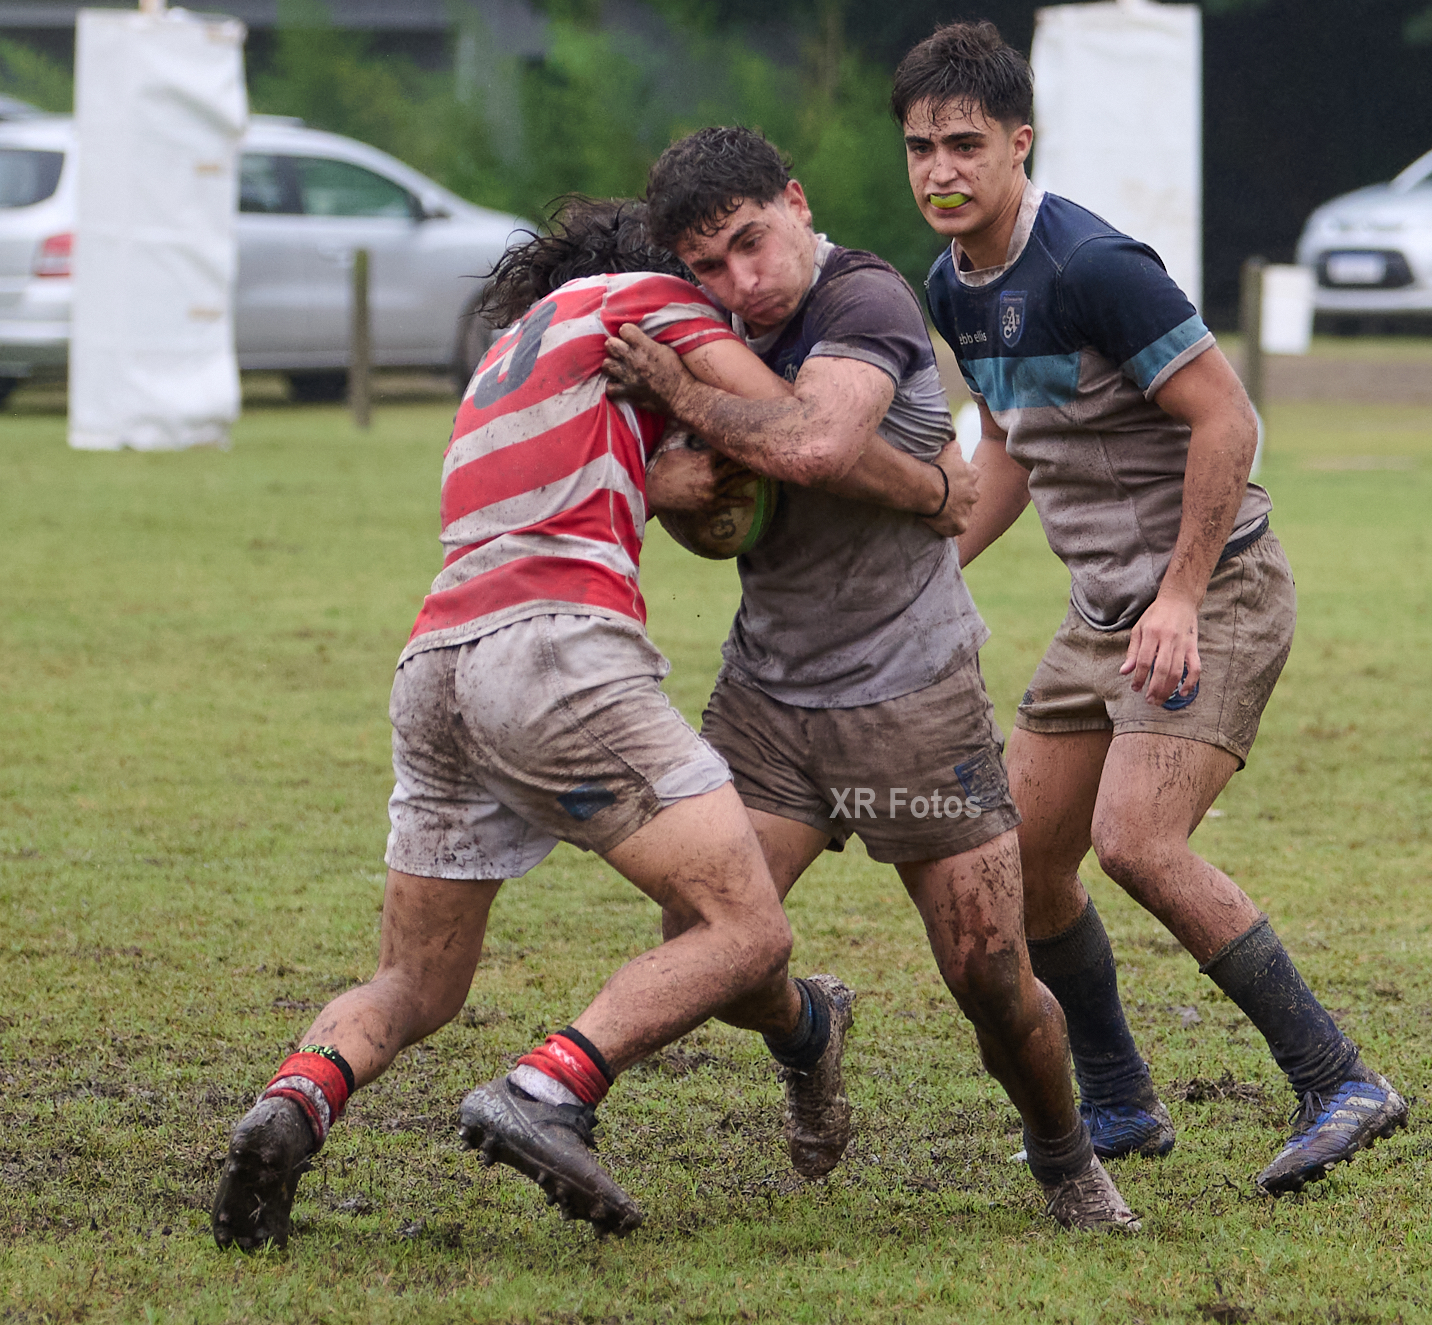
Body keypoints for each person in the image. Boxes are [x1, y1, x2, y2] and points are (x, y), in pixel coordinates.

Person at [210, 199, 965, 1250]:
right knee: (744, 925)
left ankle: (293, 1099)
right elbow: (802, 431)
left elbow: (586, 487)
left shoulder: (504, 356)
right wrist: (935, 489)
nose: (720, 290)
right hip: (553, 655)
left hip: (432, 663)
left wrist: (657, 483)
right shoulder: (645, 303)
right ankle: (546, 1086)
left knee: (414, 979)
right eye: (703, 270)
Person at [895, 23, 1409, 1194]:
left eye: (964, 144)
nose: (939, 170)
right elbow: (1013, 450)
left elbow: (1227, 421)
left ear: (1018, 143)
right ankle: (1119, 1099)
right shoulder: (952, 286)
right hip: (1100, 611)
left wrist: (1178, 596)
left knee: (1133, 837)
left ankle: (1337, 1077)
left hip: (1212, 586)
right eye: (920, 147)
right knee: (1018, 866)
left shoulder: (1093, 266)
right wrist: (929, 575)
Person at [601, 126, 1139, 1231]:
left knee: (988, 969)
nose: (738, 285)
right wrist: (670, 484)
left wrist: (686, 396)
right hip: (769, 699)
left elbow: (806, 444)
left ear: (796, 203)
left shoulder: (865, 299)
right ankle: (809, 1026)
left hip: (910, 695)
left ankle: (1067, 1159)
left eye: (752, 243)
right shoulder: (697, 326)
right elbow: (715, 507)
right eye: (706, 267)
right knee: (699, 946)